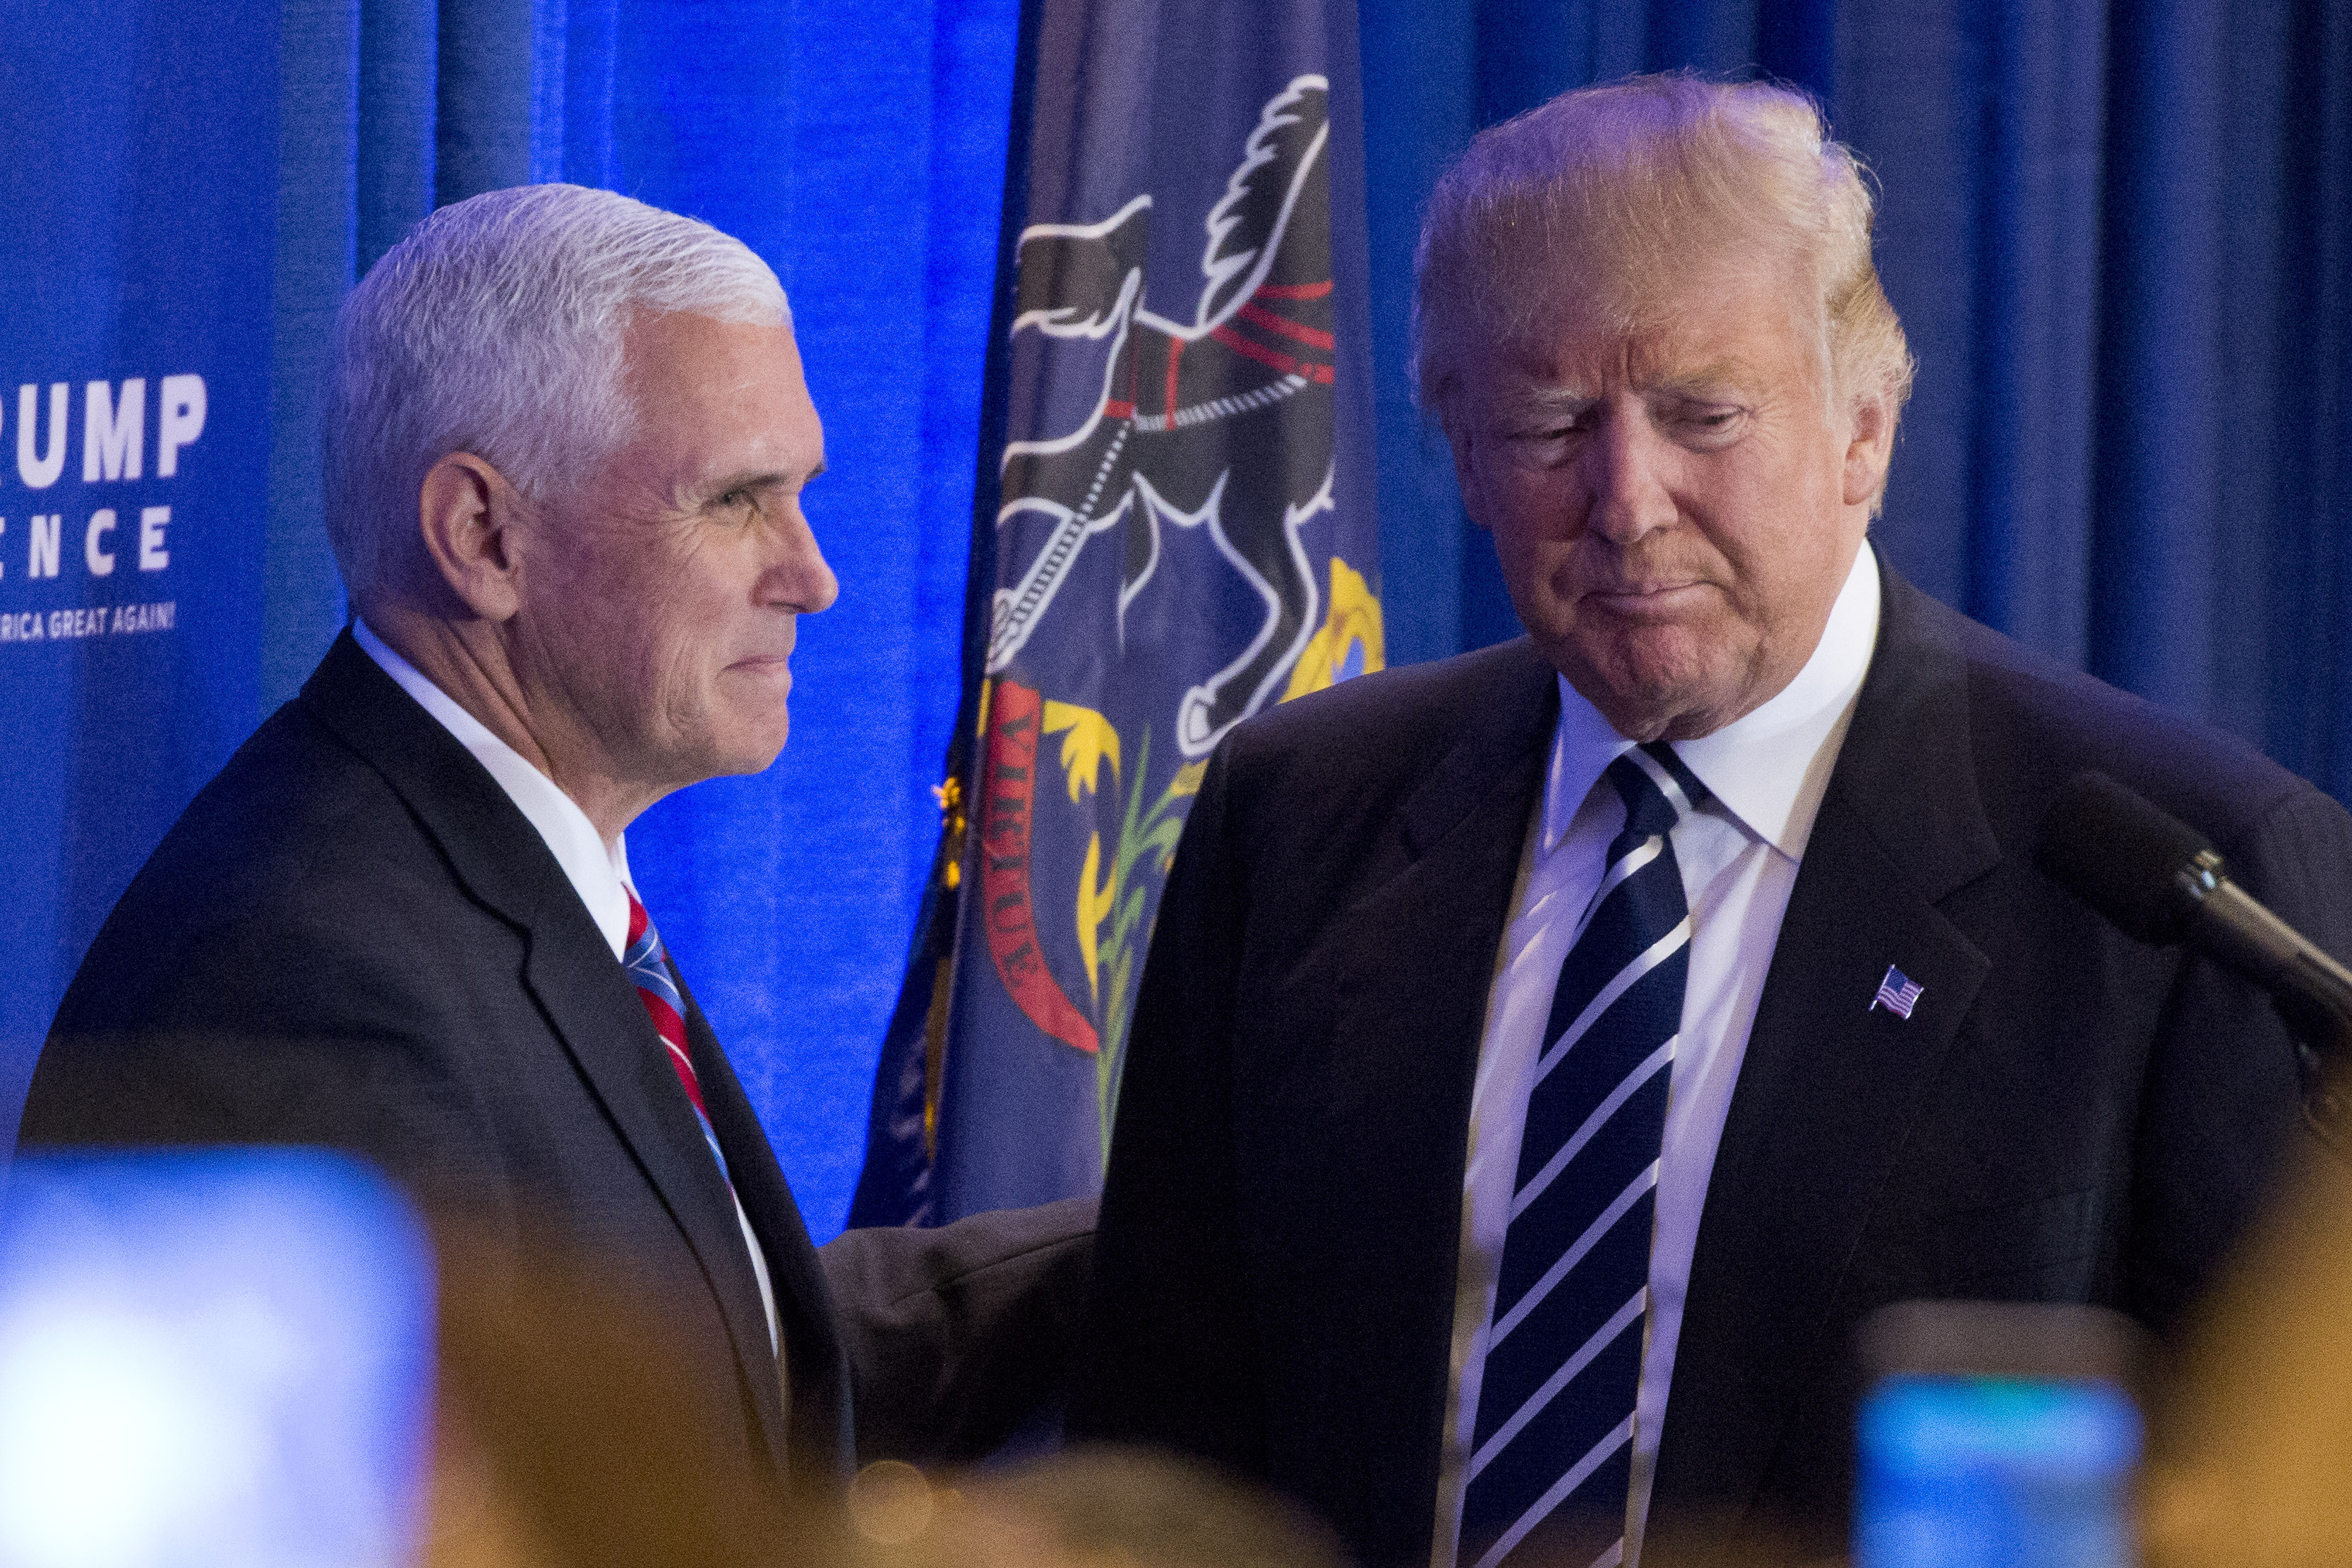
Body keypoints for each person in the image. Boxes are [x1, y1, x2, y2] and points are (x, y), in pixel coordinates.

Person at [1066, 74, 2352, 1568]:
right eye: (1551, 423)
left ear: (1862, 431)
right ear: (1461, 453)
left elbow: (2278, 1493)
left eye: (1702, 414)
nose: (1626, 500)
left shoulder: (2171, 870)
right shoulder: (1294, 816)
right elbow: (1155, 1451)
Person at [23, 184, 1090, 1506]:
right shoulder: (309, 988)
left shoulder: (510, 855)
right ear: (483, 536)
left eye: (801, 490)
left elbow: (721, 1361)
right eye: (737, 501)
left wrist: (1179, 1218)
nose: (813, 573)